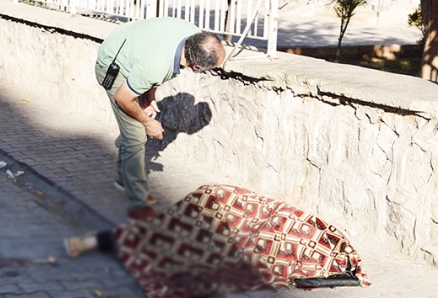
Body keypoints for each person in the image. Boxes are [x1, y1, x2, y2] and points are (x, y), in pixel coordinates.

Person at [64, 184, 370, 297]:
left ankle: (93, 243)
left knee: (157, 235)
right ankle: (94, 244)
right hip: (214, 205)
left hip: (215, 206)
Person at [95, 17, 226, 221]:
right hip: (113, 65)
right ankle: (137, 203)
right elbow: (123, 97)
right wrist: (148, 122)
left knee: (134, 130)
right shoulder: (156, 65)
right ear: (197, 67)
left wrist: (149, 96)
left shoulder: (192, 37)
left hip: (131, 51)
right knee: (136, 135)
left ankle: (125, 179)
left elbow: (152, 59)